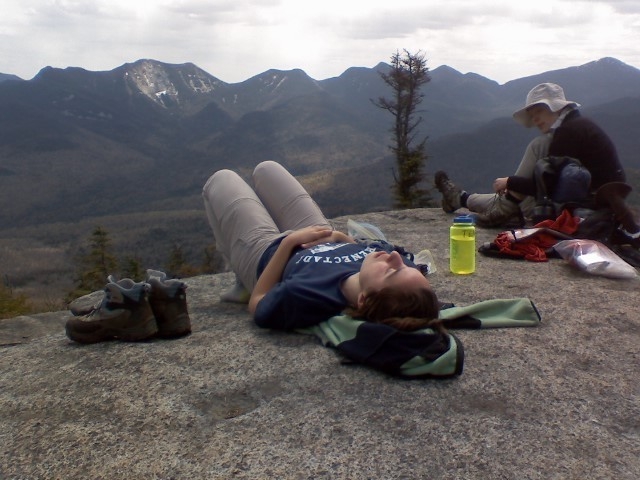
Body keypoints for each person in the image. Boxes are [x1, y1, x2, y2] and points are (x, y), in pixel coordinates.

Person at [202, 160, 440, 331]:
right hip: (323, 234)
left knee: (221, 179)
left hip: (268, 253)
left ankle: (241, 280)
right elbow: (392, 261)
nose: (395, 258)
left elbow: (258, 303)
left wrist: (289, 243)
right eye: (408, 267)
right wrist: (339, 237)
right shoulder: (387, 270)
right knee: (267, 169)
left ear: (363, 301)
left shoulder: (308, 295)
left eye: (392, 271)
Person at [434, 83, 639, 243]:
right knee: (521, 192)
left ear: (554, 108)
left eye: (538, 113)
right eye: (532, 116)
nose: (536, 120)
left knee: (521, 196)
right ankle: (463, 199)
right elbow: (551, 182)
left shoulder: (568, 133)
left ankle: (470, 200)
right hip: (593, 205)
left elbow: (546, 187)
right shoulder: (577, 125)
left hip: (585, 211)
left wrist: (510, 182)